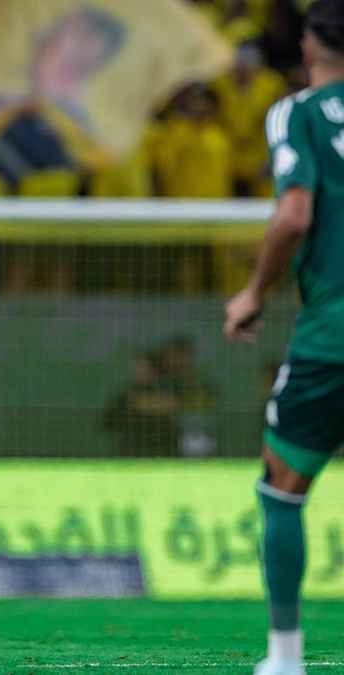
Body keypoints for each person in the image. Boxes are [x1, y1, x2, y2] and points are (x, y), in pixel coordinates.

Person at [224, 3, 344, 673]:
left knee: (284, 482)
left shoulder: (295, 112)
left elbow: (294, 214)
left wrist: (253, 293)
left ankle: (287, 658)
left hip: (333, 335)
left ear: (308, 46)